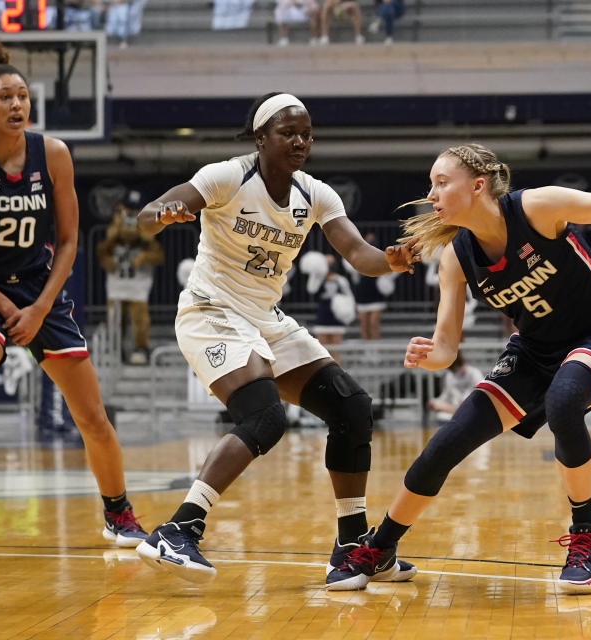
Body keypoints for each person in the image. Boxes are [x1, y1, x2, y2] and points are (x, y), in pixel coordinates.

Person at [323, 143, 591, 592]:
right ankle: (381, 548)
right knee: (446, 444)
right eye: (430, 184)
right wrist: (429, 354)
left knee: (563, 400)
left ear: (477, 186)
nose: (431, 194)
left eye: (441, 182)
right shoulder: (456, 257)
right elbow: (447, 347)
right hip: (533, 352)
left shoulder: (537, 207)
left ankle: (586, 533)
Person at [133, 92, 420, 586]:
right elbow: (149, 214)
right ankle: (178, 528)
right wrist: (163, 214)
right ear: (260, 137)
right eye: (288, 132)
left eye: (306, 133)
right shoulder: (227, 176)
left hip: (264, 317)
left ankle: (352, 548)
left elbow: (357, 252)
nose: (300, 141)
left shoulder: (316, 194)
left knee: (352, 407)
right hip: (211, 311)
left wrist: (391, 259)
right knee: (264, 414)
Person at [0, 44, 147, 565]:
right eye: (5, 96)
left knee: (91, 414)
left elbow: (69, 242)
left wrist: (39, 308)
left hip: (40, 293)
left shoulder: (55, 153)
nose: (17, 104)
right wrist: (2, 304)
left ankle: (119, 513)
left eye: (22, 95)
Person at [96, 188, 164, 364]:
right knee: (114, 320)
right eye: (128, 211)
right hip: (116, 286)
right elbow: (102, 251)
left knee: (139, 320)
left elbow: (159, 255)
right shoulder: (114, 233)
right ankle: (115, 351)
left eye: (136, 212)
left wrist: (145, 254)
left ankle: (139, 348)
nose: (131, 217)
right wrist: (113, 238)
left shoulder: (147, 235)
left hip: (137, 287)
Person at [345, 232, 399, 340]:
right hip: (362, 293)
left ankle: (375, 353)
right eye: (368, 240)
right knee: (364, 325)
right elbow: (350, 268)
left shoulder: (382, 256)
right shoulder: (359, 256)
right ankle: (366, 353)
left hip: (376, 294)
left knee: (373, 324)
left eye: (372, 240)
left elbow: (394, 269)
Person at [426, 351, 484, 421]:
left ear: (462, 363)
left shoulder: (475, 374)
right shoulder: (450, 375)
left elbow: (479, 397)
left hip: (472, 409)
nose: (455, 373)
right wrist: (435, 402)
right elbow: (446, 396)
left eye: (456, 369)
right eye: (453, 371)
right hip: (455, 408)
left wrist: (464, 401)